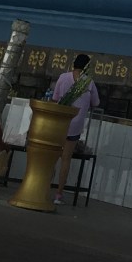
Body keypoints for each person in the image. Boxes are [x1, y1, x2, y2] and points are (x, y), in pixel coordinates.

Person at [50, 53, 100, 205]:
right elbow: (96, 103)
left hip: (60, 121)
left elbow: (55, 98)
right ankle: (59, 194)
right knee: (66, 159)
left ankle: (44, 187)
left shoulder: (63, 77)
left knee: (52, 157)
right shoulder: (88, 82)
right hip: (75, 125)